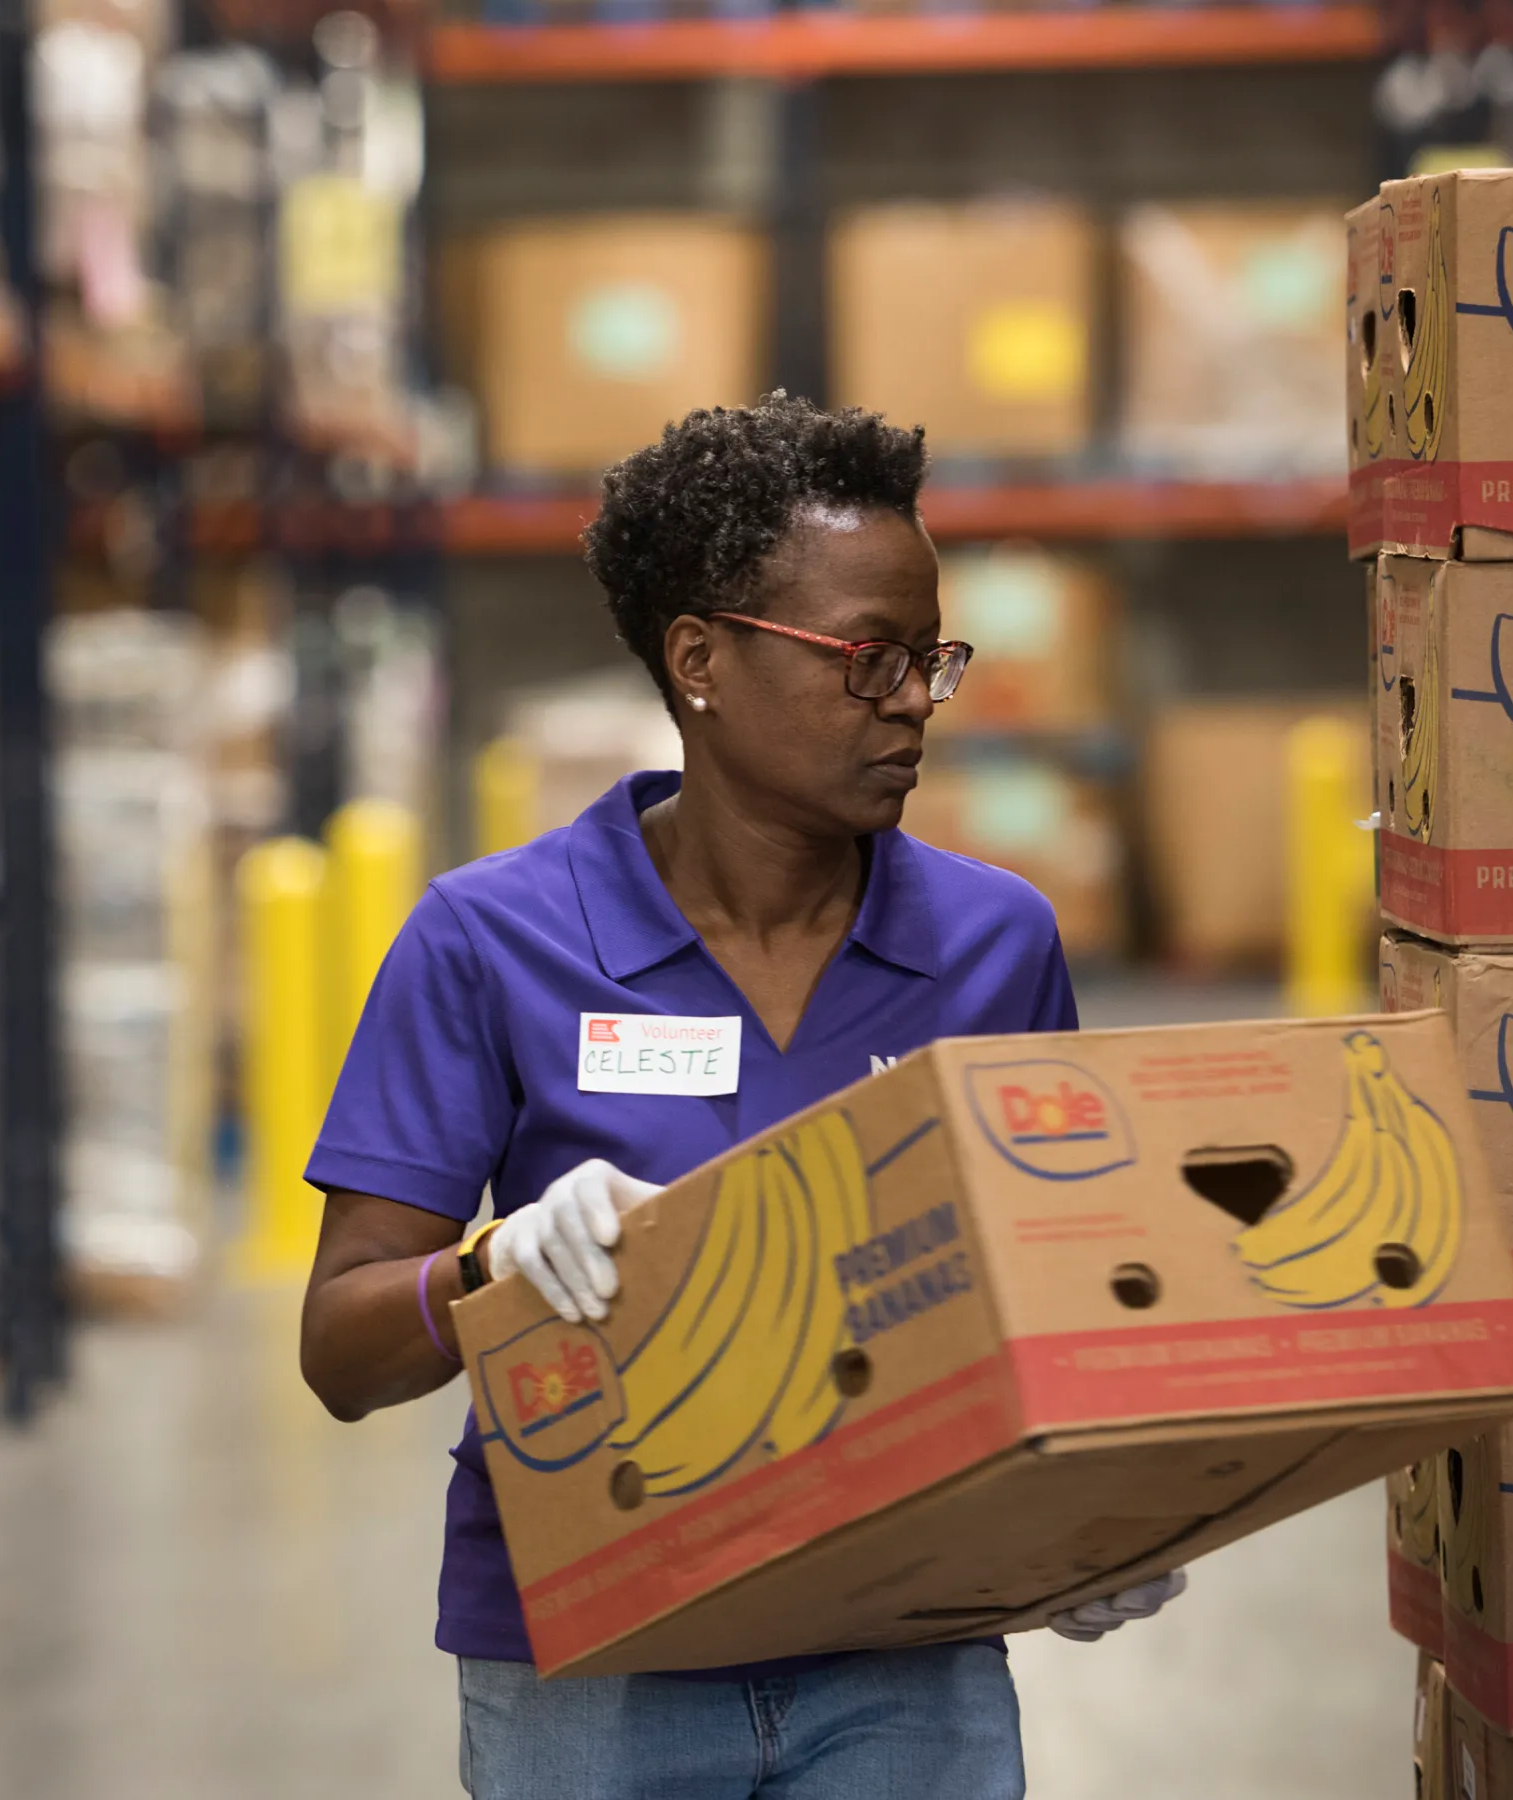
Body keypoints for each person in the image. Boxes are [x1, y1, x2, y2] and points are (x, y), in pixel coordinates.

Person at [298, 395, 1184, 1799]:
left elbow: (1077, 1295)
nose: (911, 702)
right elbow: (341, 1350)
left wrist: (1097, 1522)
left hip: (901, 1653)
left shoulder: (994, 947)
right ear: (700, 659)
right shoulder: (489, 941)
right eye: (866, 659)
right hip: (590, 1656)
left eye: (930, 658)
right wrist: (490, 1267)